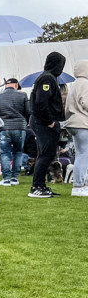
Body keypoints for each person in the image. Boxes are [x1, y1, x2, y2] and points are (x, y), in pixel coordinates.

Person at [28, 52, 66, 198]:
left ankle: (40, 185)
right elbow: (41, 102)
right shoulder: (47, 79)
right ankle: (36, 187)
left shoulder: (48, 78)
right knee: (46, 154)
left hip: (41, 121)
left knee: (46, 154)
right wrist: (50, 121)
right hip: (43, 122)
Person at [0, 77, 31, 186]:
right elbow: (28, 111)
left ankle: (6, 179)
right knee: (18, 152)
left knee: (4, 153)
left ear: (6, 85)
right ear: (16, 85)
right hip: (20, 127)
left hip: (3, 127)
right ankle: (15, 178)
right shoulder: (23, 95)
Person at [65, 59, 88, 197]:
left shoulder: (75, 84)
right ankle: (79, 185)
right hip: (83, 123)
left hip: (74, 122)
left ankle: (81, 184)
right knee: (84, 155)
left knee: (81, 154)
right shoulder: (85, 84)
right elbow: (86, 102)